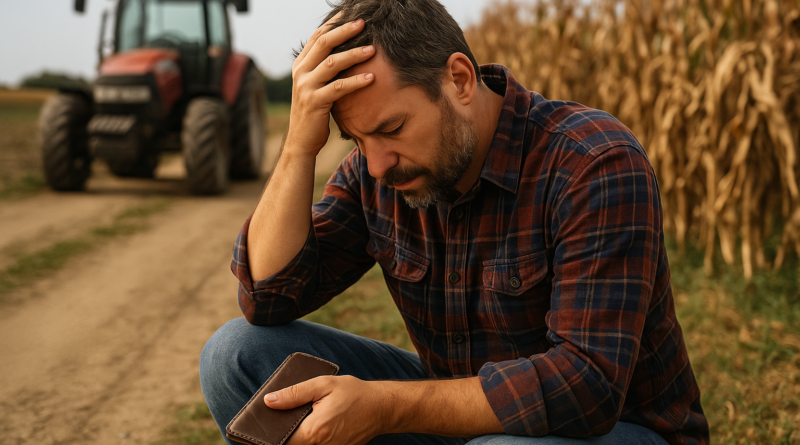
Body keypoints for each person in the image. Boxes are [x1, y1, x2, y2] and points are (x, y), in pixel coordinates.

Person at [199, 1, 709, 444]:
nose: (376, 164)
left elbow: (586, 386)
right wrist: (297, 147)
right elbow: (267, 298)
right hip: (457, 423)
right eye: (357, 141)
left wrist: (386, 407)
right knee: (235, 355)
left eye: (392, 128)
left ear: (460, 80)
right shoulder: (377, 172)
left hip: (613, 431)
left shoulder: (592, 163)